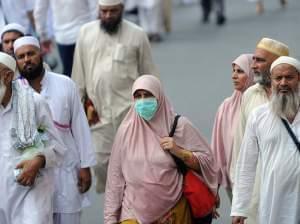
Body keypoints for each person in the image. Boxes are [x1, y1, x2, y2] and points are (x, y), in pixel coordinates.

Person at [104, 75, 218, 224]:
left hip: (175, 212)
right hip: (133, 214)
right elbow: (115, 179)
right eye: (138, 96)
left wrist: (180, 152)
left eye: (148, 95)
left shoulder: (179, 126)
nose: (143, 101)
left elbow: (208, 162)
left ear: (159, 97)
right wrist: (110, 219)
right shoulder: (125, 131)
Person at [72, 0, 158, 193]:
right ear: (98, 10)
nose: (108, 15)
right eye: (104, 11)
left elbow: (149, 75)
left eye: (113, 11)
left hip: (131, 113)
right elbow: (78, 76)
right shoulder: (85, 33)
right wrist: (76, 113)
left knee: (136, 167)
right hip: (98, 116)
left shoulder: (137, 34)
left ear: (122, 9)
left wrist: (155, 113)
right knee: (102, 164)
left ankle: (131, 211)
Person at [13, 36, 97, 224]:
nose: (27, 59)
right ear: (16, 61)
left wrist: (85, 166)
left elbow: (80, 126)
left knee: (68, 216)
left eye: (31, 53)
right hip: (34, 174)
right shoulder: (14, 92)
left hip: (67, 169)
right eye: (21, 56)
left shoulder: (64, 83)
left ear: (40, 54)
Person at [231, 56, 300, 224]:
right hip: (273, 203)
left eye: (289, 77)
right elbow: (246, 164)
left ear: (299, 79)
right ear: (272, 81)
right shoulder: (259, 116)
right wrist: (239, 207)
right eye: (278, 78)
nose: (283, 83)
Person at [0, 52, 65, 223]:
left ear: (7, 77)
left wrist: (38, 161)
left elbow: (58, 148)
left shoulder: (34, 102)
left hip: (33, 192)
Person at [211, 54, 254, 200]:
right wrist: (213, 187)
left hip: (257, 180)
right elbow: (217, 149)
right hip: (232, 182)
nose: (234, 76)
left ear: (252, 74)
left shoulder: (263, 107)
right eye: (233, 71)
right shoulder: (226, 107)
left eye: (240, 71)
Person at [34, 0, 98, 77]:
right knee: (91, 71)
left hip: (63, 37)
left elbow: (39, 11)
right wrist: (95, 29)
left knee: (70, 73)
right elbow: (95, 7)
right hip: (85, 33)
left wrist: (43, 35)